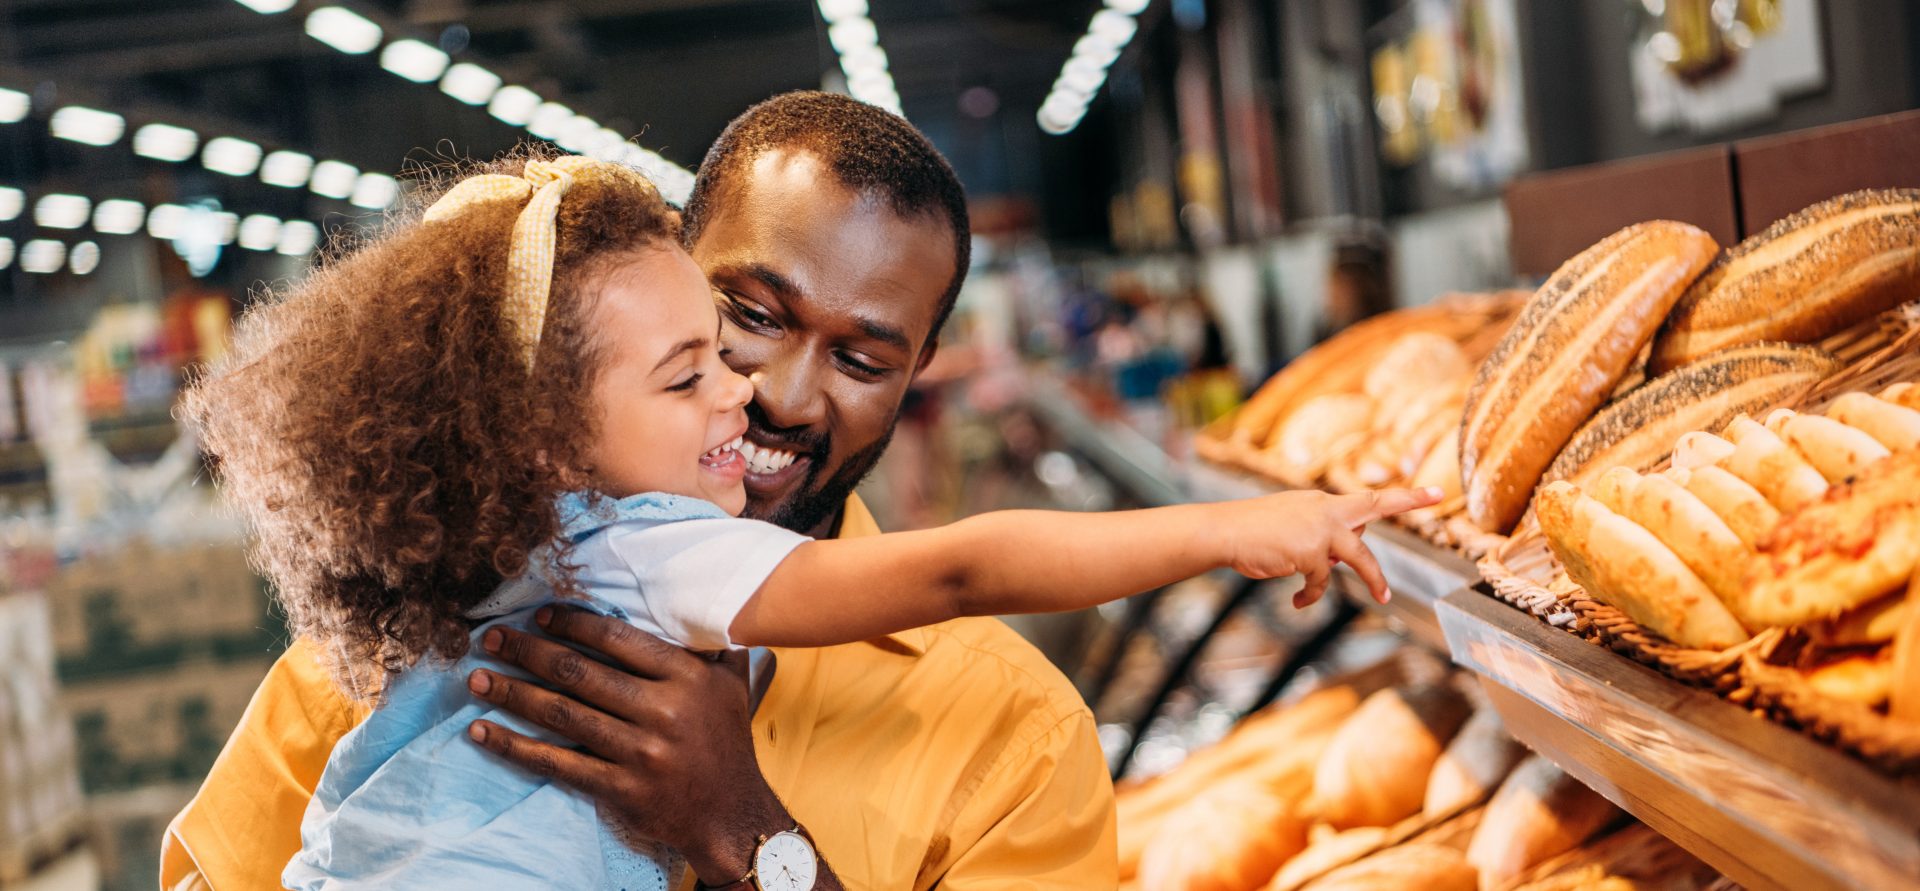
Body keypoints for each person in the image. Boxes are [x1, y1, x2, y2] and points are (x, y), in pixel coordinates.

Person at [158, 93, 1420, 891]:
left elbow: (972, 567)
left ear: (920, 374)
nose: (778, 395)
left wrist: (752, 839)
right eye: (740, 319)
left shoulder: (1014, 741)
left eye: (864, 356)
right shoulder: (405, 623)